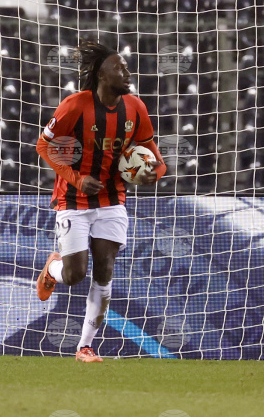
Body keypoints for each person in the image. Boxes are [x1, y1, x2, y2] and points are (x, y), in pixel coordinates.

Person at [35, 42, 166, 363]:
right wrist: (77, 178)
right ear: (101, 75)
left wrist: (156, 173)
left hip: (112, 199)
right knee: (75, 274)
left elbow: (154, 154)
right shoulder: (75, 105)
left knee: (105, 270)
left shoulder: (135, 107)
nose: (127, 72)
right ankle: (52, 269)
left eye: (126, 67)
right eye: (119, 68)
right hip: (73, 199)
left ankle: (85, 346)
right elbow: (43, 146)